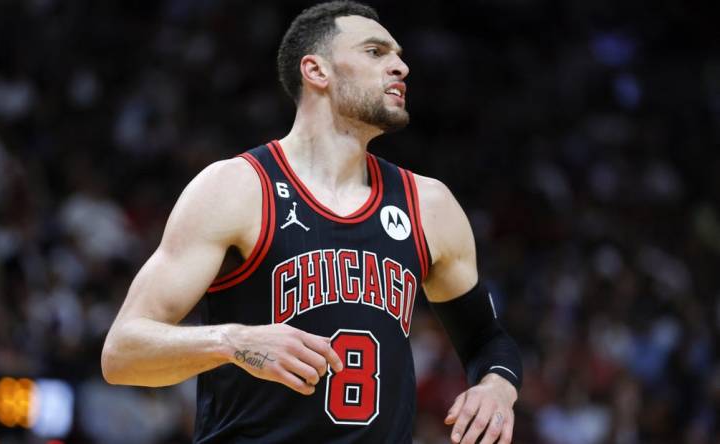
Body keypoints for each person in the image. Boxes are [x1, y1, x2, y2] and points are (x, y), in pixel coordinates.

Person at [101, 2, 523, 443]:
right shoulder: (238, 187)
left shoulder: (429, 204)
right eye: (376, 52)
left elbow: (488, 340)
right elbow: (122, 352)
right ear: (316, 71)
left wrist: (497, 386)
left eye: (398, 55)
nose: (400, 66)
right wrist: (233, 342)